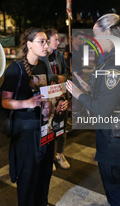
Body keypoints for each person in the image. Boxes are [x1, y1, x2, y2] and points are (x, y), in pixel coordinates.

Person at [66, 12, 120, 206]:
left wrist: (78, 93)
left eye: (97, 34)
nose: (95, 40)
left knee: (119, 196)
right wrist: (88, 89)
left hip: (118, 142)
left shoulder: (117, 62)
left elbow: (103, 108)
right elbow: (115, 96)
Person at [1, 28, 54, 206]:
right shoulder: (15, 69)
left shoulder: (43, 65)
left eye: (46, 41)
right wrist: (27, 103)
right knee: (28, 177)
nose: (46, 45)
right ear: (29, 44)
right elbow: (5, 102)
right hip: (26, 133)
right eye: (42, 41)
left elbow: (45, 94)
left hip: (44, 128)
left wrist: (56, 102)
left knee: (44, 174)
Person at [40, 28, 70, 170]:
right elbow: (43, 78)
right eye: (55, 39)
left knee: (61, 126)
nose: (58, 42)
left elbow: (66, 73)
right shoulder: (42, 57)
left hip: (60, 96)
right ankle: (48, 158)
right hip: (47, 100)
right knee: (48, 129)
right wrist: (55, 78)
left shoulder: (58, 55)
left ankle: (60, 154)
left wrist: (60, 78)